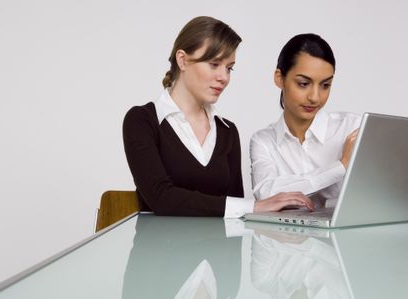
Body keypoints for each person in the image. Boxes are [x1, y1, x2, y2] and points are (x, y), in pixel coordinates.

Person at [123, 16, 314, 218]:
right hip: (158, 248)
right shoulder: (142, 121)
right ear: (183, 60)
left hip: (217, 249)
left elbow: (235, 219)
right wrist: (252, 206)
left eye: (229, 68)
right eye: (214, 64)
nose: (224, 77)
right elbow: (162, 199)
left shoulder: (227, 131)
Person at [250, 33, 361, 208]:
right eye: (303, 83)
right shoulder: (264, 141)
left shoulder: (353, 128)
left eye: (325, 85)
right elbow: (265, 195)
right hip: (283, 236)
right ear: (279, 78)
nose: (315, 97)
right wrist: (340, 167)